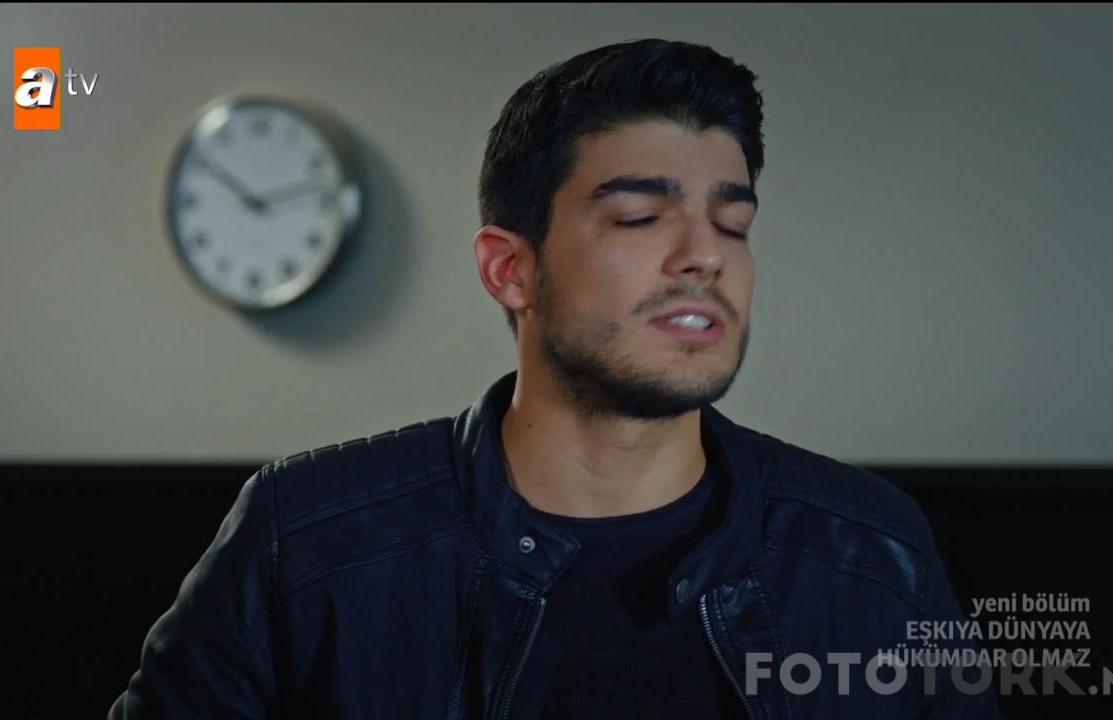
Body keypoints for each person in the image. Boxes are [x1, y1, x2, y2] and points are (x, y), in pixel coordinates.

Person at [110, 38, 1004, 719]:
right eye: (641, 216)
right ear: (511, 270)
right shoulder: (304, 543)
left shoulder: (875, 555)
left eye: (733, 224)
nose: (704, 256)